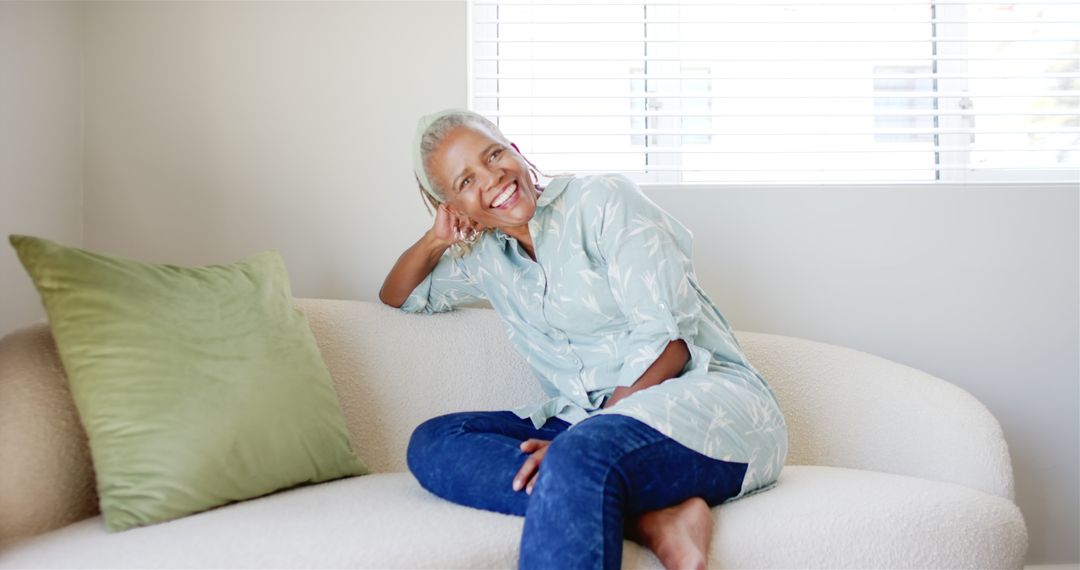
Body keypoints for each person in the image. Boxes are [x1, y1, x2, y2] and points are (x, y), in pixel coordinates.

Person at [380, 108, 788, 570]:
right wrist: (436, 240)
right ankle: (650, 518)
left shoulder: (602, 200)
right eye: (466, 181)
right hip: (589, 425)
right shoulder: (486, 257)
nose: (492, 178)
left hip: (702, 406)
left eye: (493, 155)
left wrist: (582, 439)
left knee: (578, 455)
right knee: (437, 440)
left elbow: (669, 342)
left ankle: (586, 472)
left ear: (515, 151)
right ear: (454, 208)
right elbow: (399, 296)